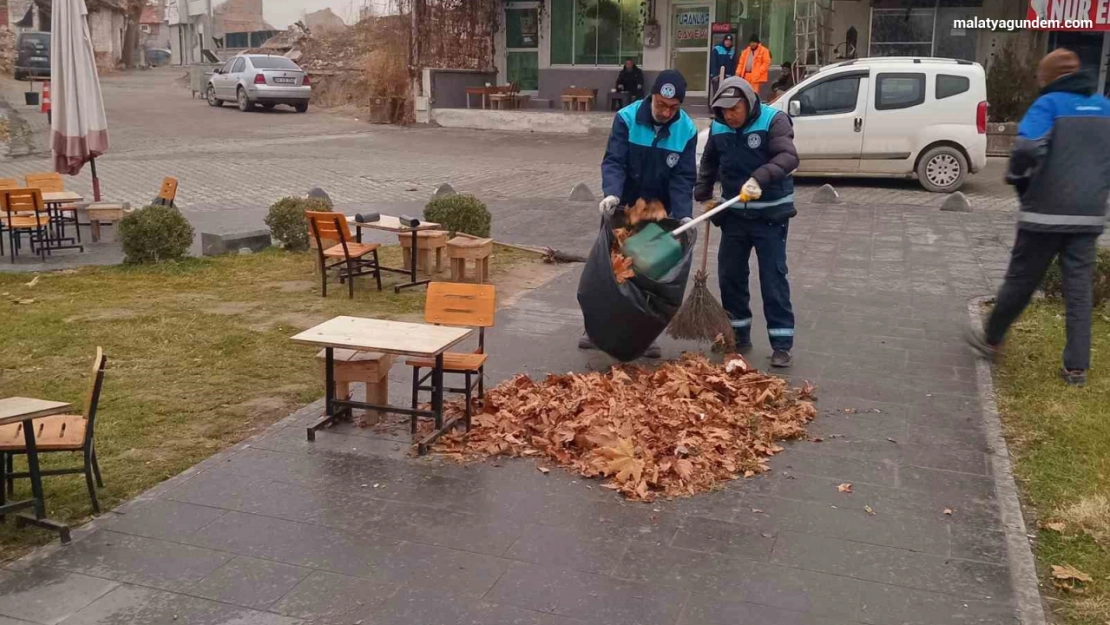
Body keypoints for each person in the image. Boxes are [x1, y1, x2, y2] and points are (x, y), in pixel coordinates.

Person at [966, 49, 1110, 386]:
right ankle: (1076, 368)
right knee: (1078, 290)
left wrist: (1020, 181)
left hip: (1044, 213)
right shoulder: (1104, 108)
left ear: (1048, 78)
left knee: (1021, 281)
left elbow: (1028, 148)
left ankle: (991, 339)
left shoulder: (1048, 105)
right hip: (1088, 216)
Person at [580, 70, 699, 358]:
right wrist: (612, 193)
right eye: (661, 105)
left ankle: (643, 333)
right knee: (610, 272)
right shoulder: (627, 118)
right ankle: (595, 329)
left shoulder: (687, 130)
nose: (666, 112)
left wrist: (683, 215)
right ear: (652, 97)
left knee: (648, 273)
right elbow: (615, 161)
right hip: (622, 207)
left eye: (673, 108)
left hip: (656, 214)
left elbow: (683, 178)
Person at [694, 76, 799, 368]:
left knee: (773, 278)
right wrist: (704, 193)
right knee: (730, 275)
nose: (729, 115)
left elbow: (788, 157)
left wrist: (759, 178)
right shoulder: (720, 126)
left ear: (748, 102)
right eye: (724, 110)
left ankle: (781, 343)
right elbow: (710, 163)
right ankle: (738, 334)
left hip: (770, 216)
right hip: (735, 216)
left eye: (734, 108)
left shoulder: (773, 121)